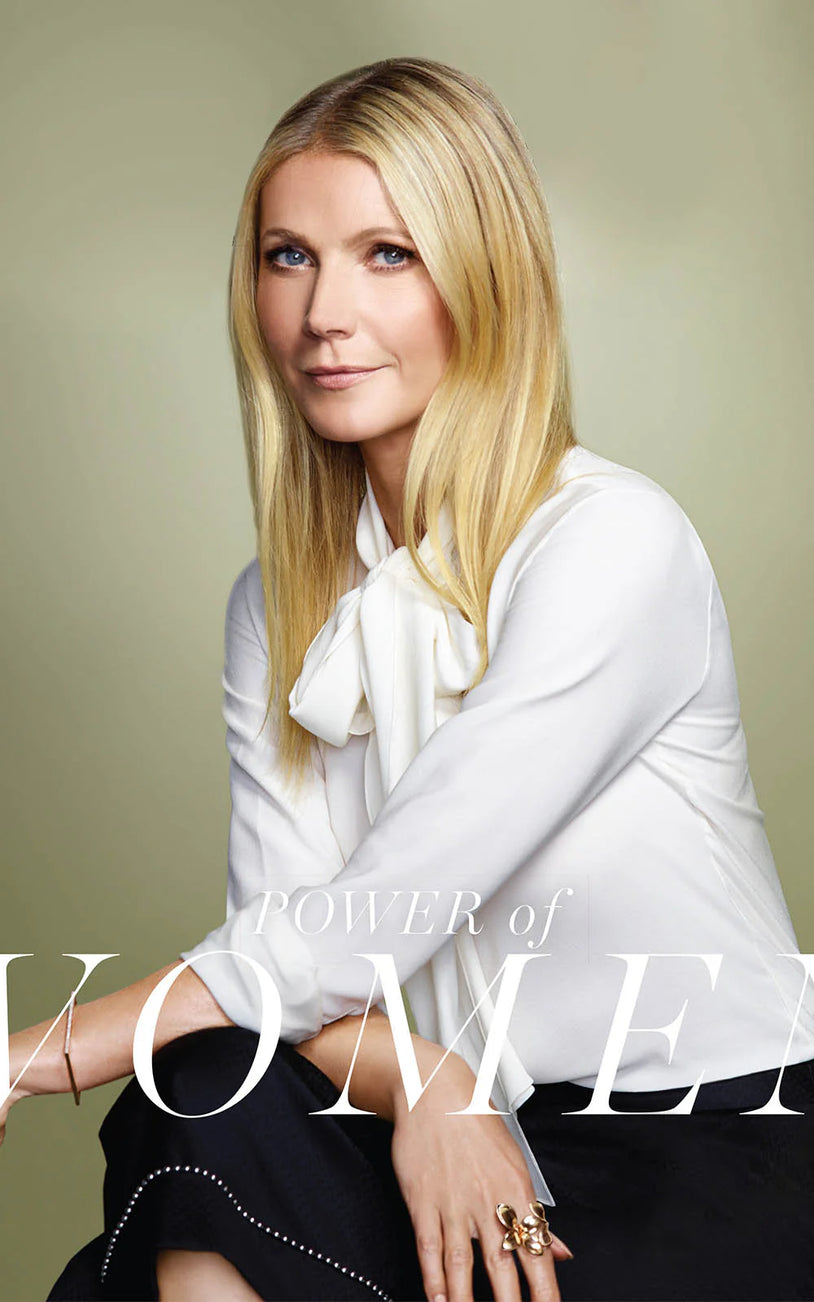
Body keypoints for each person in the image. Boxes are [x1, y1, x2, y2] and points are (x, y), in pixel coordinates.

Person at [3, 55, 814, 1302]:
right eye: (288, 256)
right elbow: (289, 980)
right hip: (453, 1128)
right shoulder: (276, 605)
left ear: (483, 278)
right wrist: (427, 1082)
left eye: (388, 254)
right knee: (206, 1092)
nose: (323, 312)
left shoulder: (613, 545)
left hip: (703, 1147)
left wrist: (34, 1056)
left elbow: (366, 917)